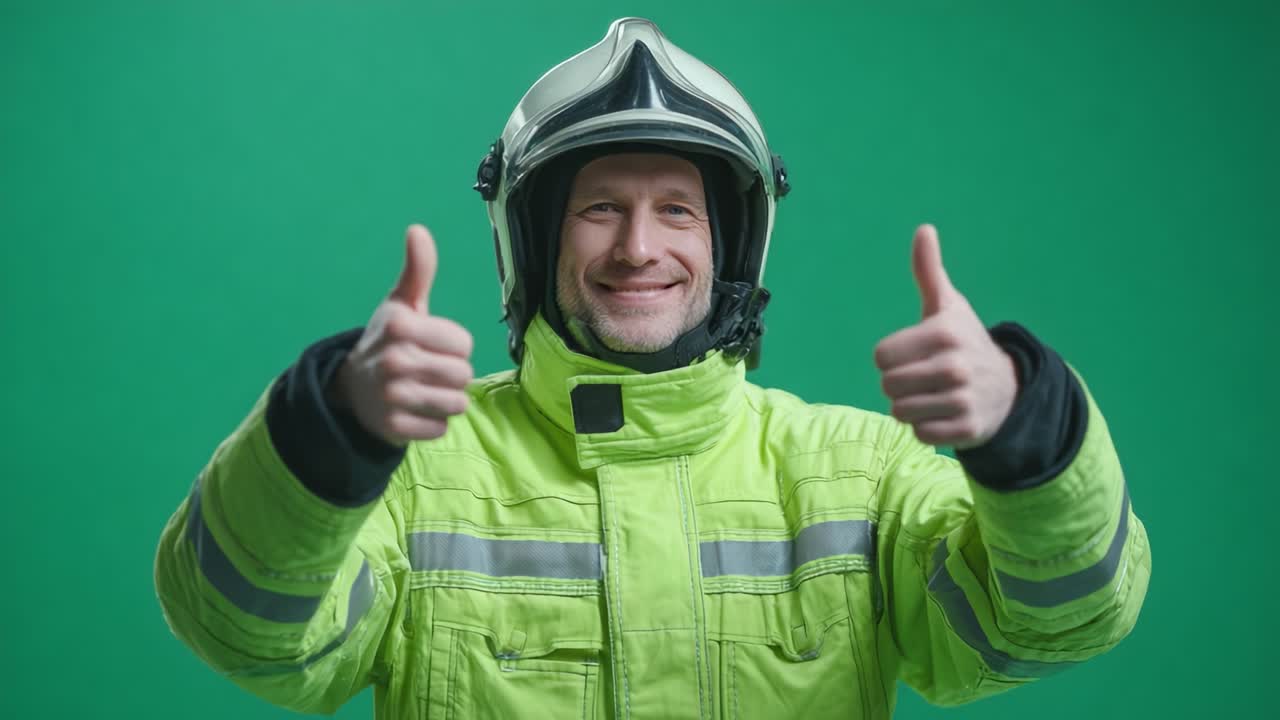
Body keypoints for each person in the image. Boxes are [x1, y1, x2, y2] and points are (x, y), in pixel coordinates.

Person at [154, 17, 1150, 720]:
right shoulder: (418, 475)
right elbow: (249, 636)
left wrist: (1026, 433)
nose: (638, 247)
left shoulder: (864, 475)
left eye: (675, 208)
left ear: (731, 247)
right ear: (533, 243)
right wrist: (328, 433)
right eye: (598, 208)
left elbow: (1055, 622)